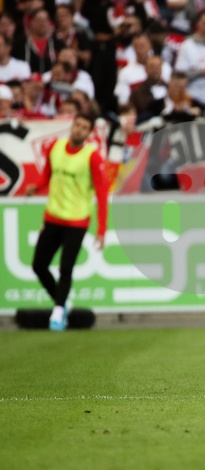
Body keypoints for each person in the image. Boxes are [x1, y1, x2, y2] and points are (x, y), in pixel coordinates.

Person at [25, 114, 108, 331]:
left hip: (77, 220)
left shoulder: (92, 156)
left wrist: (101, 229)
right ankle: (61, 302)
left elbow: (101, 193)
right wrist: (37, 187)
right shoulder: (56, 146)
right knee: (38, 265)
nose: (79, 130)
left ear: (89, 133)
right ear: (72, 126)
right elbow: (48, 176)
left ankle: (58, 313)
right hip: (53, 217)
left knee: (65, 267)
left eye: (84, 127)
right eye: (77, 125)